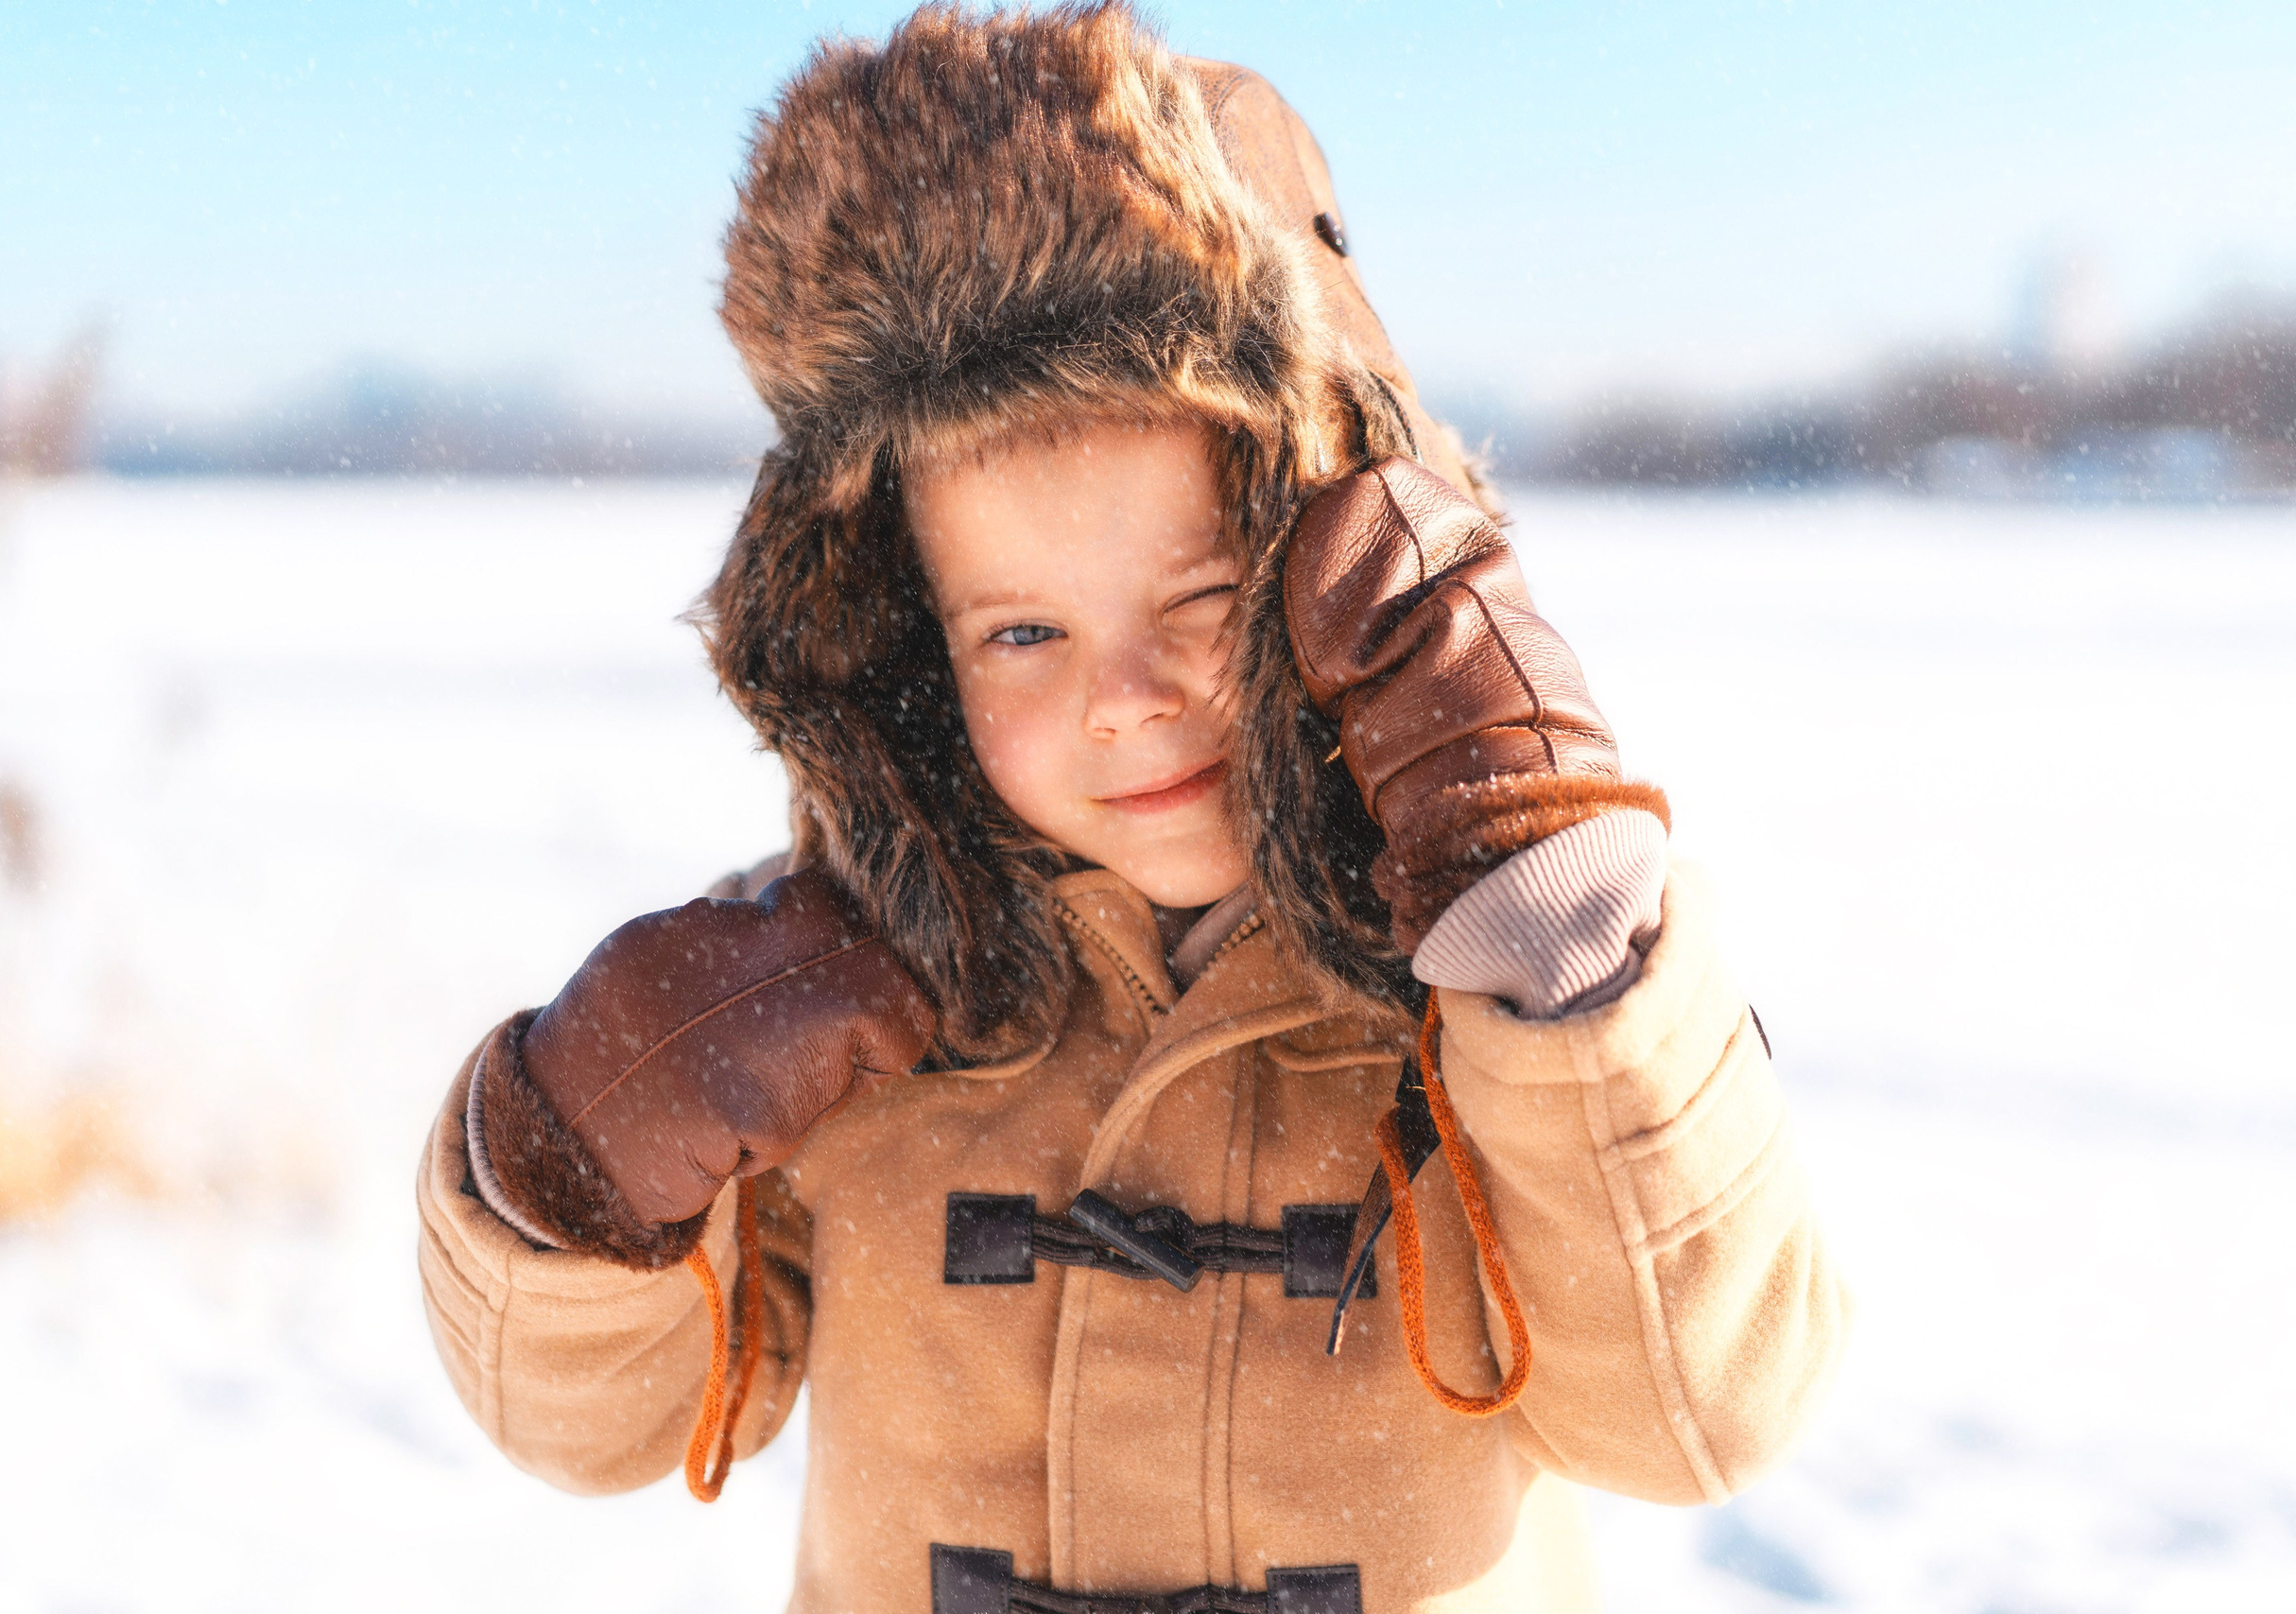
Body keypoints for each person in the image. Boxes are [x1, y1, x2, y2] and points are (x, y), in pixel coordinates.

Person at [415, 7, 1850, 1610]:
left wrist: (1559, 935)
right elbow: (600, 1425)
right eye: (1025, 633)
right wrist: (567, 1166)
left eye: (1206, 597)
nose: (1124, 696)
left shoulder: (1487, 981)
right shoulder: (836, 987)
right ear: (908, 646)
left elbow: (1702, 1414)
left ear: (1345, 570)